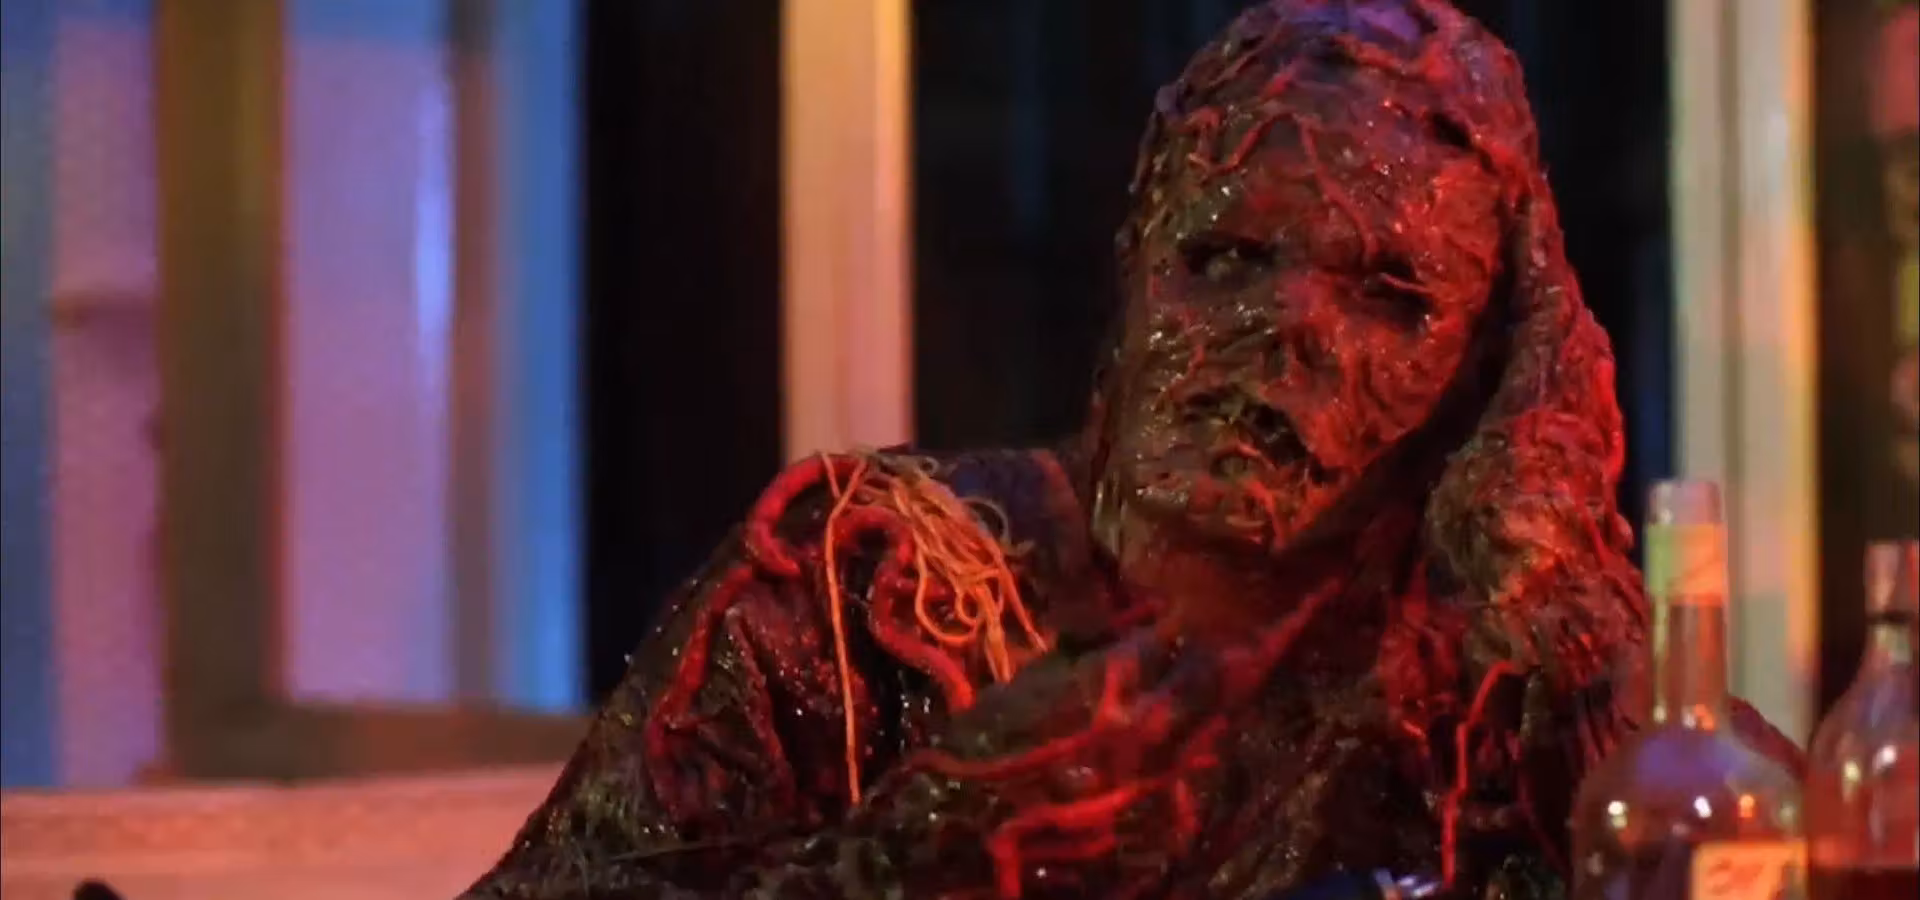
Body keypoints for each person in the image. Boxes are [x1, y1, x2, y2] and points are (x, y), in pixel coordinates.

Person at [465, 2, 1800, 897]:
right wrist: (923, 856)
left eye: (1389, 297)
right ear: (1136, 269)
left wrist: (1578, 629)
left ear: (1488, 365)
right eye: (1226, 257)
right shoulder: (865, 592)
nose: (1286, 334)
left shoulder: (1474, 686)